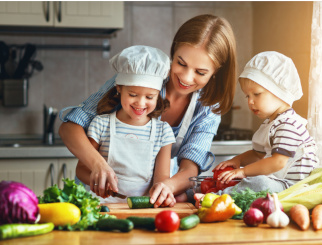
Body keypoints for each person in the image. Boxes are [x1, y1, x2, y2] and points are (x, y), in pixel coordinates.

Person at [58, 14, 237, 207]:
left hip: (143, 201)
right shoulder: (139, 76)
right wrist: (98, 165)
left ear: (216, 71)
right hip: (95, 198)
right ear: (174, 50)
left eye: (200, 72)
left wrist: (167, 187)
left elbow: (189, 167)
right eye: (181, 63)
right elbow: (70, 127)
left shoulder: (208, 108)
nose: (186, 77)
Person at [75, 45, 176, 204]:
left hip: (141, 209)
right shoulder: (101, 124)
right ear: (119, 88)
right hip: (102, 206)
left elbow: (161, 179)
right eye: (133, 95)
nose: (140, 103)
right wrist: (97, 182)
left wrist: (162, 192)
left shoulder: (163, 132)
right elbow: (81, 170)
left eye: (150, 97)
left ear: (158, 96)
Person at [212, 51, 318, 195]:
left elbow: (278, 162)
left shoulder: (289, 124)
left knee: (259, 182)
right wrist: (237, 160)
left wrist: (243, 172)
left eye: (256, 94)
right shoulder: (272, 123)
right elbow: (257, 155)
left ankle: (217, 197)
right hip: (279, 183)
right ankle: (208, 191)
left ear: (279, 91)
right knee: (253, 180)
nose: (250, 101)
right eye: (247, 96)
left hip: (294, 188)